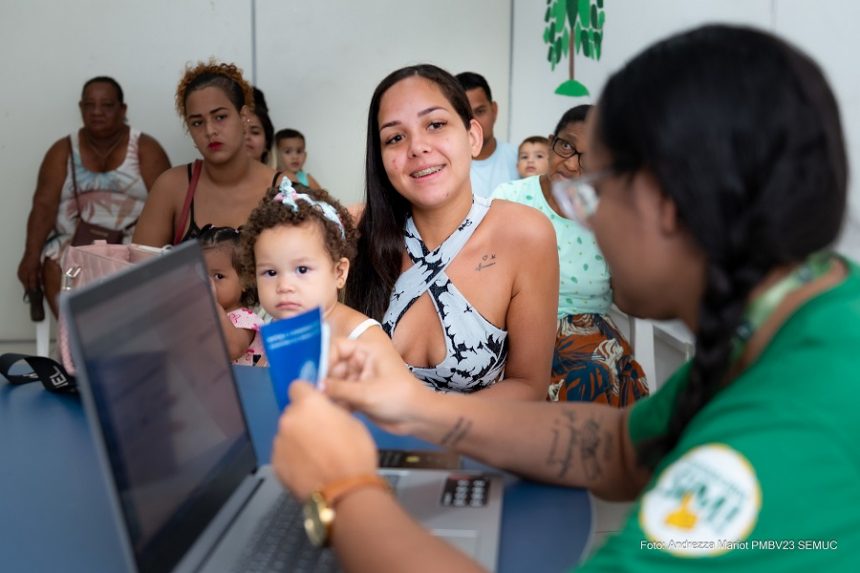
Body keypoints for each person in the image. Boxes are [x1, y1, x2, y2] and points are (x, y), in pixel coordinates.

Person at [273, 25, 859, 571]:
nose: (589, 226)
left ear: (670, 202)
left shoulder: (794, 424)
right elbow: (618, 451)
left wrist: (344, 492)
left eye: (593, 193)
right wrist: (417, 409)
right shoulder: (781, 323)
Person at [344, 64, 558, 398]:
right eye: (395, 137)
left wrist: (429, 423)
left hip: (475, 441)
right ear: (382, 159)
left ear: (473, 136)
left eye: (436, 124)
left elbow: (528, 386)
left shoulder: (525, 234)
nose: (417, 147)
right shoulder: (358, 231)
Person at [494, 105, 649, 406]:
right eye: (566, 146)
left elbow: (630, 300)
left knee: (601, 372)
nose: (572, 165)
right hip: (515, 326)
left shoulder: (610, 217)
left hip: (588, 330)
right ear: (551, 142)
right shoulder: (510, 199)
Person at [17, 76, 171, 318]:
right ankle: (75, 341)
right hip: (75, 240)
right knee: (51, 256)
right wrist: (30, 255)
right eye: (89, 105)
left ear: (122, 109)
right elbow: (43, 207)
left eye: (107, 105)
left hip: (133, 240)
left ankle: (125, 342)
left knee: (146, 256)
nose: (97, 112)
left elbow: (168, 205)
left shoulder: (145, 148)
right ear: (80, 108)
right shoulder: (62, 150)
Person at [239, 179, 406, 364]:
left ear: (339, 273)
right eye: (270, 272)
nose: (284, 286)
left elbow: (399, 390)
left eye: (302, 269)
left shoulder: (362, 337)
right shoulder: (278, 330)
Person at [133, 61, 283, 247]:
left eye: (220, 117)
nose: (210, 130)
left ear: (244, 117)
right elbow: (140, 270)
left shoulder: (285, 188)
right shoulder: (171, 187)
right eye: (197, 123)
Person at [198, 224, 264, 365]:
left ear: (245, 281)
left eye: (218, 276)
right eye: (201, 274)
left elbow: (232, 349)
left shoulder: (246, 319)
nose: (207, 282)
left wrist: (213, 305)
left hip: (248, 385)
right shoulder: (200, 317)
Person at [455, 71, 518, 198]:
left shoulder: (522, 160)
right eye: (465, 115)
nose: (474, 123)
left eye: (480, 111)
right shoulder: (447, 169)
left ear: (494, 110)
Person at [246, 87, 275, 167]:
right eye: (241, 132)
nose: (246, 137)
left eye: (255, 132)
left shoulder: (282, 179)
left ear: (266, 143)